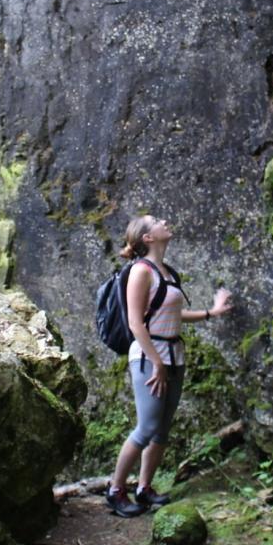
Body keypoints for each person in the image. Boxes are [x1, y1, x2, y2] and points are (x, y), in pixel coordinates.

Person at [106, 214, 232, 518]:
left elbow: (172, 312)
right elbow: (136, 323)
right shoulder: (140, 271)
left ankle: (144, 487)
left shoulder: (166, 272)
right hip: (151, 356)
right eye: (156, 220)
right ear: (147, 237)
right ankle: (115, 489)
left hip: (175, 355)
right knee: (146, 427)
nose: (164, 221)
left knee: (162, 429)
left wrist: (210, 313)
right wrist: (157, 362)